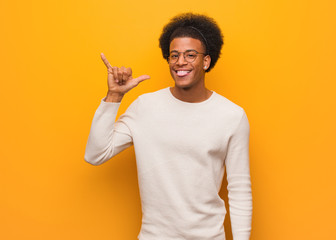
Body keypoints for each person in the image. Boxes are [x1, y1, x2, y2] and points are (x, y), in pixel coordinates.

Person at [84, 12, 252, 240]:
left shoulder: (232, 116)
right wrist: (114, 96)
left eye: (190, 55)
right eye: (174, 55)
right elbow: (96, 154)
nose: (180, 62)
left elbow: (240, 189)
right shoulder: (145, 107)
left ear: (206, 61)